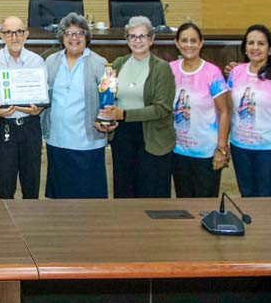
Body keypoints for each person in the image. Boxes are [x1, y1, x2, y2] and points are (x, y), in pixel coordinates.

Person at [99, 15, 175, 198]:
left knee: (151, 192)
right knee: (124, 190)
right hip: (123, 135)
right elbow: (108, 97)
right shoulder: (118, 64)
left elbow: (162, 109)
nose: (137, 41)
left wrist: (124, 114)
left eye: (142, 36)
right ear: (127, 40)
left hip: (152, 136)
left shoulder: (162, 68)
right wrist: (105, 117)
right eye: (132, 36)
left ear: (151, 39)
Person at [41, 13, 109, 199]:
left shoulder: (99, 63)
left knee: (88, 201)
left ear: (87, 36)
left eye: (79, 33)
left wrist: (107, 120)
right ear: (62, 37)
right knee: (59, 201)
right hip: (57, 141)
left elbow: (108, 101)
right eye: (68, 33)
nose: (74, 38)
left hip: (87, 143)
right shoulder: (51, 61)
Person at [227, 24, 271, 197]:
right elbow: (228, 111)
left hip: (269, 150)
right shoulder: (235, 72)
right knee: (246, 195)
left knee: (266, 200)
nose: (255, 48)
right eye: (251, 43)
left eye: (261, 43)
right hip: (239, 148)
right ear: (245, 48)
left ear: (270, 49)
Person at [0, 16, 46, 199]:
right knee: (5, 186)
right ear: (1, 36)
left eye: (19, 32)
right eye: (9, 33)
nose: (14, 37)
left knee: (31, 185)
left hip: (31, 127)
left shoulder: (37, 61)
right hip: (5, 128)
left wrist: (39, 109)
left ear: (26, 35)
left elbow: (42, 97)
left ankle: (32, 226)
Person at [169, 23, 231, 198]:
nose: (189, 45)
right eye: (184, 40)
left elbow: (224, 112)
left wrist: (222, 148)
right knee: (184, 202)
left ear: (201, 43)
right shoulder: (170, 69)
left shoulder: (212, 73)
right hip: (178, 150)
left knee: (205, 204)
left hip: (206, 151)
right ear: (177, 43)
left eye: (194, 40)